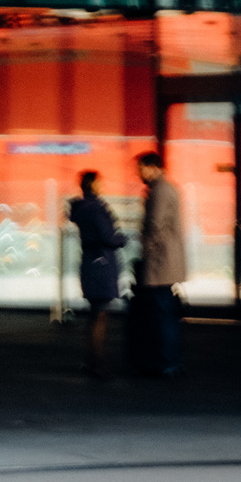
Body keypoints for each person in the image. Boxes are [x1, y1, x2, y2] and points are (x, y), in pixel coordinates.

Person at [67, 170, 127, 379]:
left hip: (89, 262)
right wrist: (121, 239)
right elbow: (108, 237)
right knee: (101, 315)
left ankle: (91, 360)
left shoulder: (81, 208)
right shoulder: (97, 208)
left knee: (94, 315)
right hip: (102, 263)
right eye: (100, 183)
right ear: (93, 185)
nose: (103, 185)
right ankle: (98, 363)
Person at [135, 151, 186, 377]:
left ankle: (166, 362)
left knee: (162, 315)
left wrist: (146, 250)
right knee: (165, 313)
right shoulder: (165, 188)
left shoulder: (160, 191)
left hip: (160, 262)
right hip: (166, 261)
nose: (139, 174)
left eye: (141, 169)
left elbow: (154, 225)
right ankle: (168, 360)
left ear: (153, 167)